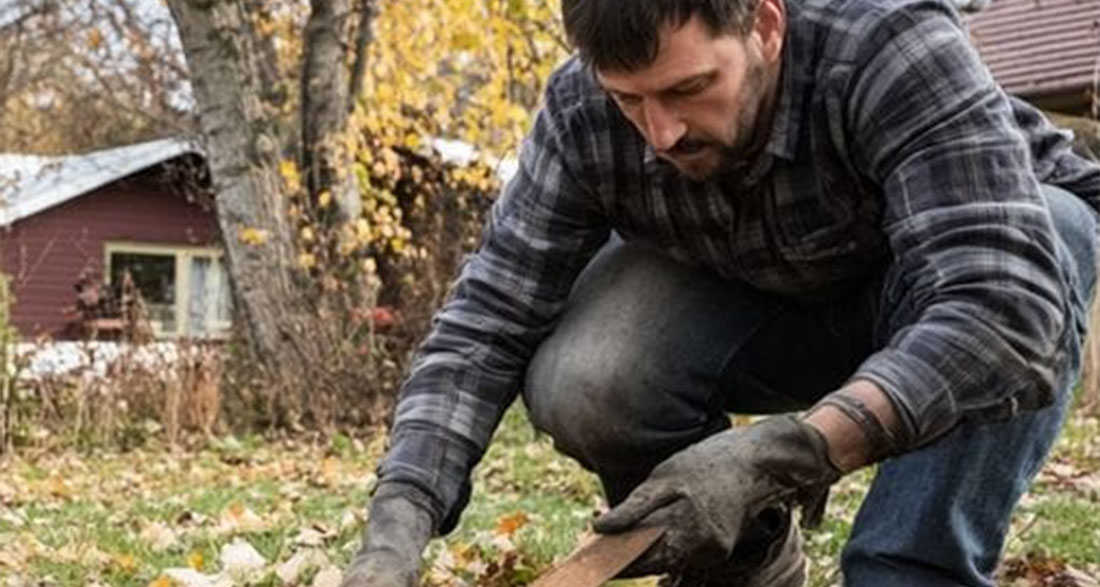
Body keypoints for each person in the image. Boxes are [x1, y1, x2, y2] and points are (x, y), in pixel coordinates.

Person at [341, 0, 1100, 585]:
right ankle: (735, 563)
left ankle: (908, 570)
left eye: (690, 88)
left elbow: (1000, 306)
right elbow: (486, 320)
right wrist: (399, 519)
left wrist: (789, 453)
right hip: (770, 293)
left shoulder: (889, 45)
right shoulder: (582, 111)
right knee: (589, 374)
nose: (661, 132)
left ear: (765, 24)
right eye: (631, 100)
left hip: (954, 291)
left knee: (1047, 240)